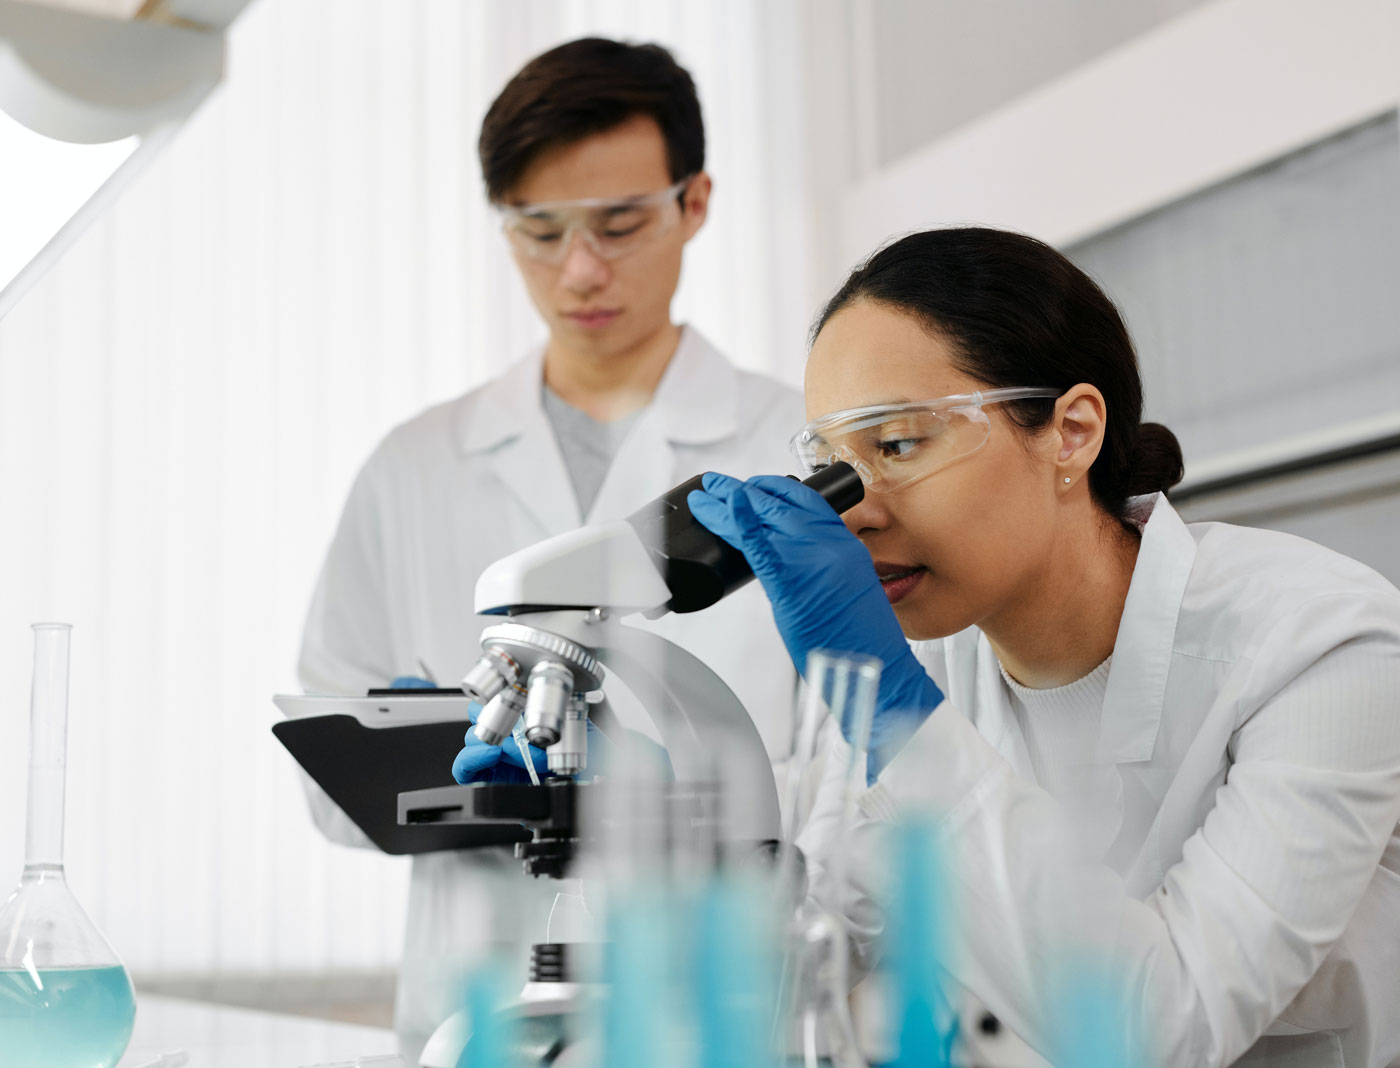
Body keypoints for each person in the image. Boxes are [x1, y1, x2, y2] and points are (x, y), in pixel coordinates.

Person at [689, 227, 1400, 1067]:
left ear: (1072, 432)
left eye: (898, 445)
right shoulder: (931, 663)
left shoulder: (1322, 643)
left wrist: (895, 716)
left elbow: (1161, 1028)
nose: (854, 514)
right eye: (832, 469)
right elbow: (814, 947)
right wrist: (644, 825)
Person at [297, 37, 802, 1057]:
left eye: (619, 225)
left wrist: (663, 792)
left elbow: (871, 780)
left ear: (694, 203)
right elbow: (326, 781)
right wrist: (431, 761)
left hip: (715, 1010)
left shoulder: (790, 450)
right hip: (474, 1015)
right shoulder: (413, 467)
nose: (579, 269)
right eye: (539, 231)